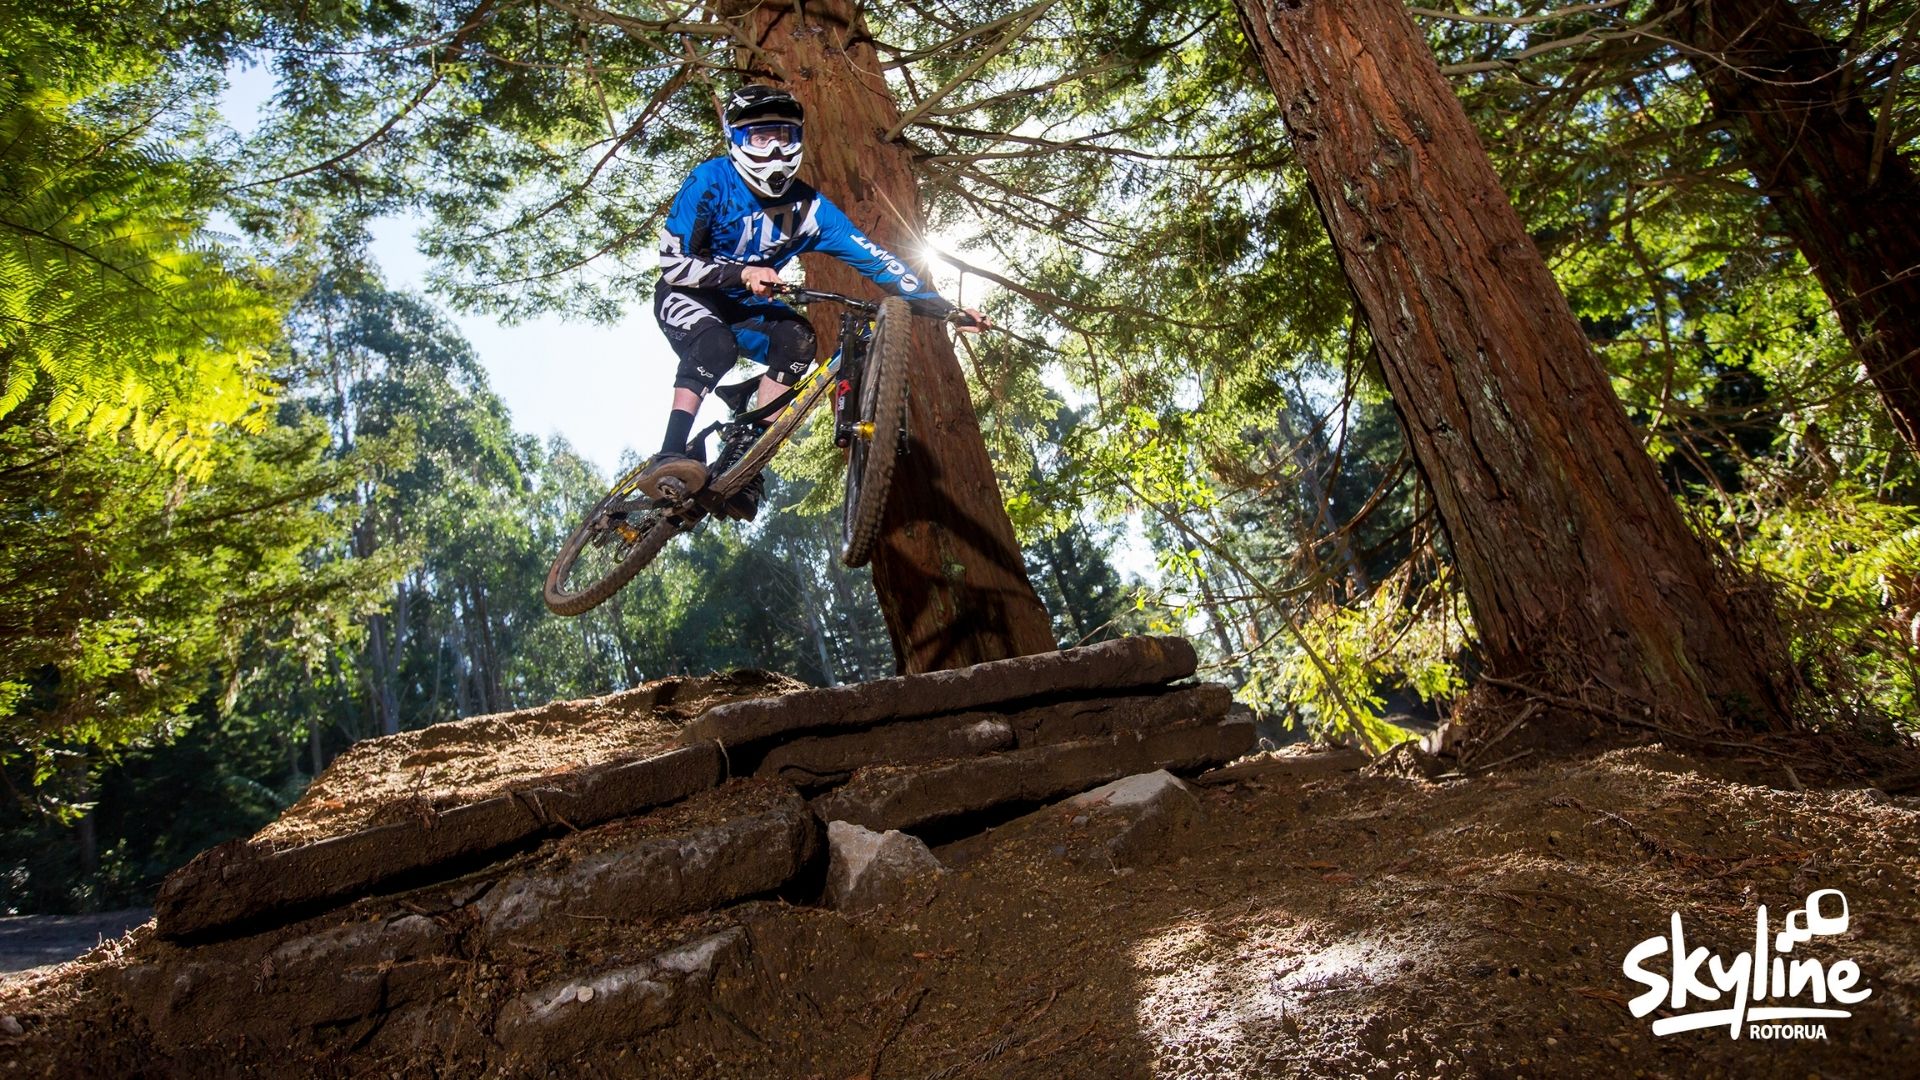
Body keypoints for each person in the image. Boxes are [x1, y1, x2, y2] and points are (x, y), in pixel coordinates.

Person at [639, 84, 987, 521]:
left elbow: (878, 260)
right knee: (716, 346)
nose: (775, 150)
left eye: (783, 136)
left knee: (799, 339)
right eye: (760, 137)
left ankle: (745, 461)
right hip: (688, 295)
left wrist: (945, 309)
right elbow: (674, 264)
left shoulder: (810, 210)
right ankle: (669, 453)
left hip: (747, 308)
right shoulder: (710, 181)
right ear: (736, 140)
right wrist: (742, 273)